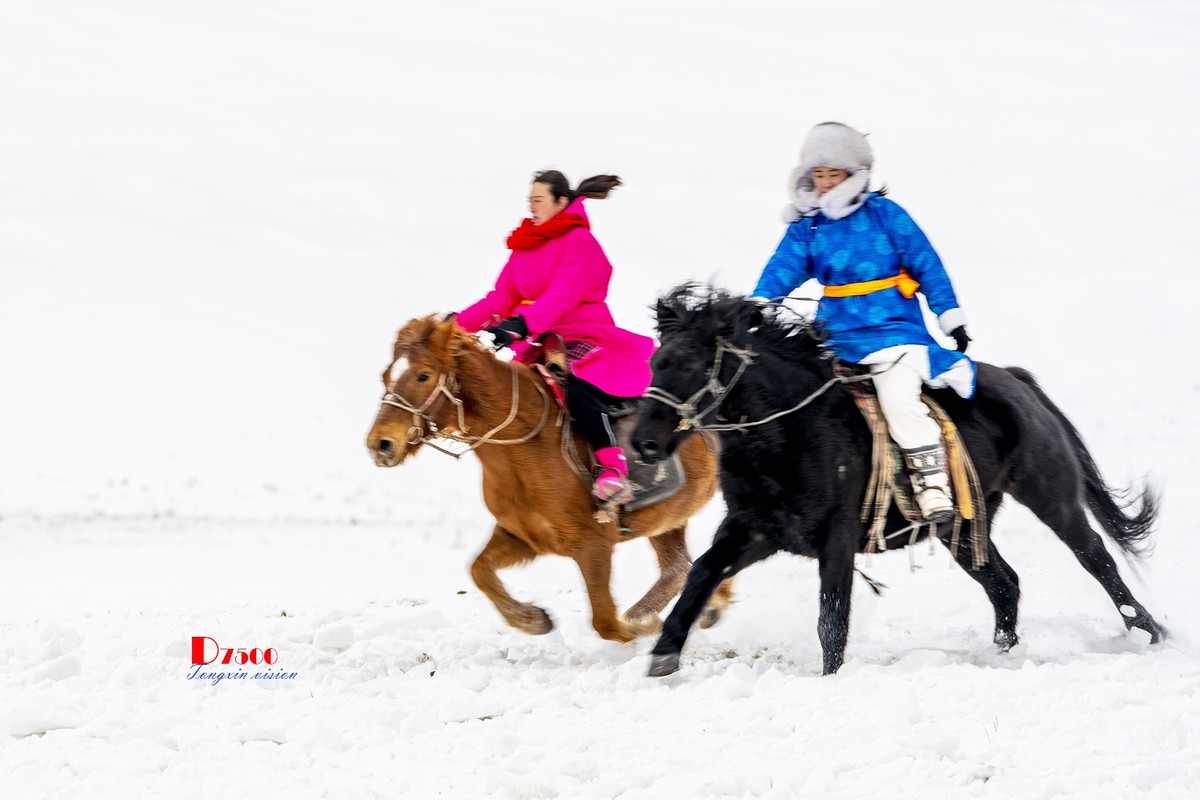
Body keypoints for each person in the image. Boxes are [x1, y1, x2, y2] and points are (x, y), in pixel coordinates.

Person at [751, 122, 974, 523]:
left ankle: (932, 482)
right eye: (817, 174)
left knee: (898, 398)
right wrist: (760, 305)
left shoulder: (886, 215)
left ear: (854, 174)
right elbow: (781, 269)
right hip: (833, 335)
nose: (823, 183)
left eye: (832, 174)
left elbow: (928, 265)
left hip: (893, 331)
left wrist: (949, 317)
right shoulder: (809, 225)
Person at [455, 170, 654, 503]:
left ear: (562, 202)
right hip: (540, 340)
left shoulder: (581, 243)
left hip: (583, 336)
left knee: (577, 388)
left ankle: (612, 470)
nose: (532, 206)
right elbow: (499, 298)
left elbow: (563, 295)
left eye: (538, 200)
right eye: (529, 200)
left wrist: (522, 323)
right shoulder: (526, 247)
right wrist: (456, 326)